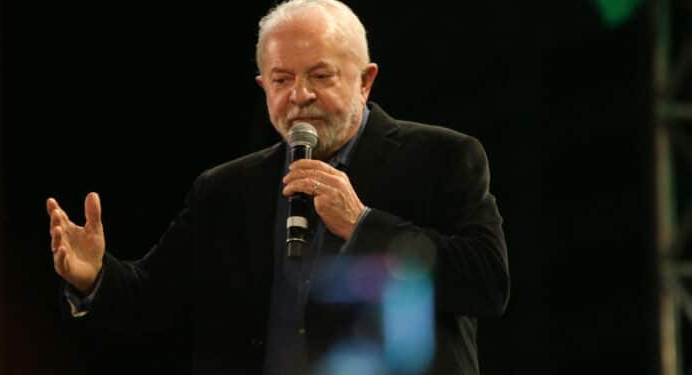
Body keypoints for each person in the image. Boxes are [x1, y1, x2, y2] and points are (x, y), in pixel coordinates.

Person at [46, 0, 510, 374]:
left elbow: (487, 284)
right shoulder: (226, 188)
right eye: (282, 79)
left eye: (321, 76)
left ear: (365, 81)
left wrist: (362, 223)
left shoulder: (440, 158)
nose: (300, 95)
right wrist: (94, 277)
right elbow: (149, 300)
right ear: (263, 86)